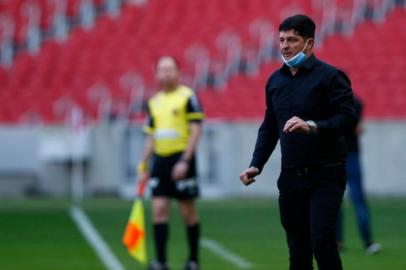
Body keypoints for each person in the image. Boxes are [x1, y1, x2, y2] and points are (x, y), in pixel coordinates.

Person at [239, 14, 356, 270]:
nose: (284, 45)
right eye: (281, 39)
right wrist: (256, 164)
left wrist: (312, 126)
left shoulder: (331, 77)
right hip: (291, 177)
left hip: (326, 174)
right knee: (298, 250)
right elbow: (270, 127)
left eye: (292, 40)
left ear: (309, 44)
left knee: (322, 243)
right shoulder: (274, 81)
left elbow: (348, 119)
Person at [137, 56, 204, 270]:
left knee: (187, 211)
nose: (166, 73)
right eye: (162, 70)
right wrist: (143, 165)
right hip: (161, 162)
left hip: (182, 159)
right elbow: (151, 137)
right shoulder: (153, 102)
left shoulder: (188, 97)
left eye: (170, 69)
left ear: (178, 72)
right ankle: (161, 262)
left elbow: (196, 130)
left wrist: (185, 160)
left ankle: (193, 260)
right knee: (158, 209)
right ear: (156, 74)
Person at [336, 95, 381, 254]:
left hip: (335, 156)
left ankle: (338, 243)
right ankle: (368, 242)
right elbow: (357, 128)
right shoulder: (356, 102)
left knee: (336, 201)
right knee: (358, 200)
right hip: (351, 156)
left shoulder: (328, 101)